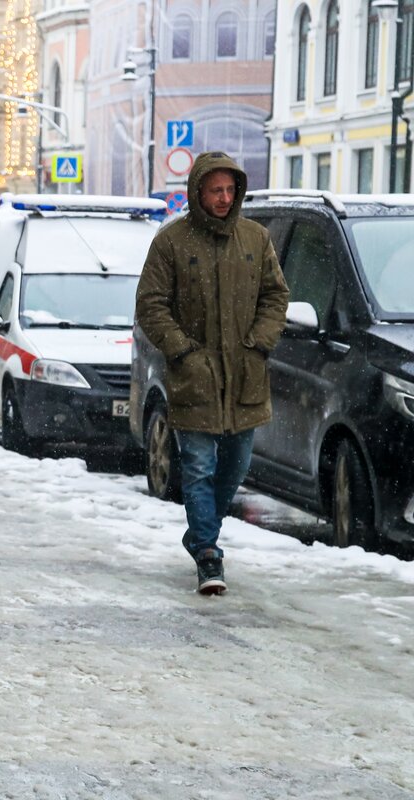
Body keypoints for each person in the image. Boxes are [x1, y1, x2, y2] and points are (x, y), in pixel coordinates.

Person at [135, 151, 289, 595]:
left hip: (246, 376)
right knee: (199, 468)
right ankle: (208, 554)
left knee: (234, 468)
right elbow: (151, 303)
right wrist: (184, 351)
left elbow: (276, 296)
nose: (223, 198)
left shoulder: (256, 239)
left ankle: (200, 532)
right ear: (198, 191)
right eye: (215, 190)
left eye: (229, 190)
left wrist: (259, 342)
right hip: (195, 377)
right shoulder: (172, 242)